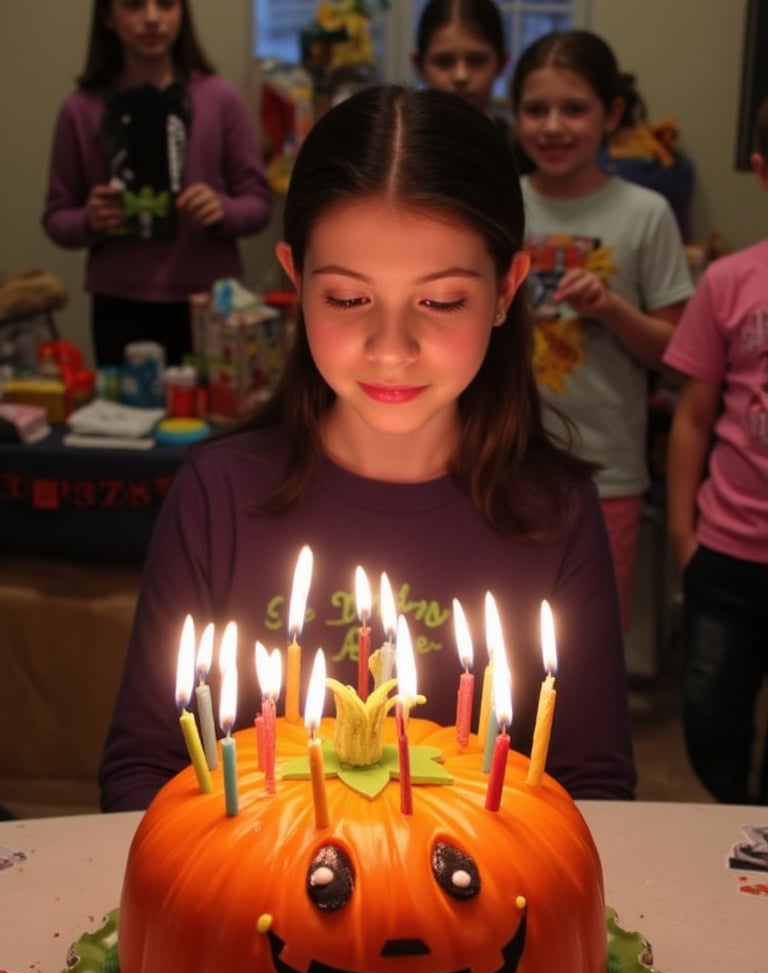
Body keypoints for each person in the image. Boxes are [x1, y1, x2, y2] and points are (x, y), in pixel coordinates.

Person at [97, 84, 636, 812]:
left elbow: (592, 789)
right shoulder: (218, 494)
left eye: (441, 301)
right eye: (348, 300)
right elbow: (144, 768)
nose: (391, 350)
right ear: (295, 278)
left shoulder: (556, 514)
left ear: (507, 288)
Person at [510, 30, 693, 632]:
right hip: (505, 455)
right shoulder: (500, 204)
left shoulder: (645, 213)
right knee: (503, 623)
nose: (553, 126)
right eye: (536, 109)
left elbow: (675, 353)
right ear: (515, 116)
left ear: (612, 114)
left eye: (575, 108)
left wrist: (612, 307)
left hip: (605, 469)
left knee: (589, 635)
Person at [42, 0, 272, 368]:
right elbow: (56, 217)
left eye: (166, 4)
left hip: (212, 301)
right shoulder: (80, 109)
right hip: (119, 302)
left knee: (219, 420)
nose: (152, 18)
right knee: (126, 420)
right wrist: (89, 219)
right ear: (107, 15)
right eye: (134, 5)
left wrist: (223, 209)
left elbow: (259, 202)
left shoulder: (219, 98)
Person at [662, 96, 768, 806]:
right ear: (763, 171)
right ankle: (736, 814)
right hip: (726, 552)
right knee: (707, 713)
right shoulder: (730, 282)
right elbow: (693, 417)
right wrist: (681, 532)